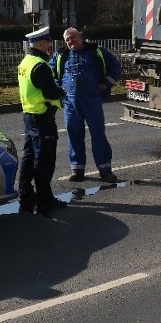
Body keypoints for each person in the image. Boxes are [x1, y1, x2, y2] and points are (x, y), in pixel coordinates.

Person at [53, 27, 122, 184]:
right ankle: (77, 170)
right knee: (73, 135)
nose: (70, 42)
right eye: (67, 40)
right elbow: (51, 73)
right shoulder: (61, 55)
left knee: (98, 135)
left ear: (80, 36)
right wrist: (58, 89)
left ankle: (105, 170)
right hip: (70, 104)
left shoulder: (96, 51)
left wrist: (105, 84)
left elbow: (115, 67)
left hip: (92, 102)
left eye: (72, 38)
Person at [17, 26, 67, 215]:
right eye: (47, 43)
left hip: (29, 115)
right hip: (42, 117)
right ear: (40, 43)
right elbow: (50, 92)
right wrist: (61, 91)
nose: (49, 46)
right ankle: (45, 199)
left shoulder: (26, 62)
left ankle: (26, 194)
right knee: (44, 160)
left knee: (29, 158)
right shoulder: (40, 65)